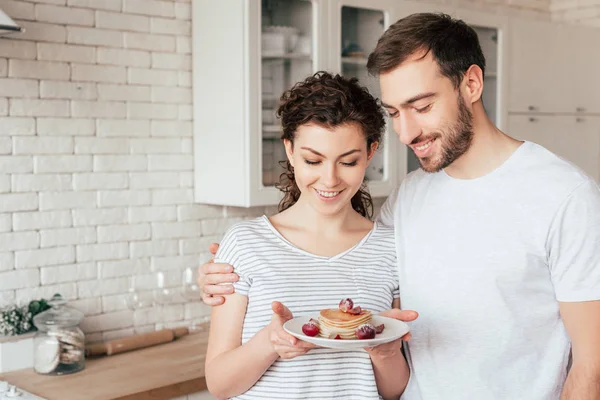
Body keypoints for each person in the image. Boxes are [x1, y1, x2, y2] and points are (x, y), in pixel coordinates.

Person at [199, 12, 600, 400]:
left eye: (422, 107)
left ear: (472, 83)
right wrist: (225, 273)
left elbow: (591, 365)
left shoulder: (564, 196)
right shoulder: (409, 196)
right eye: (394, 113)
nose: (406, 133)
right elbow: (345, 259)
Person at [204, 71, 416, 400]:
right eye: (312, 160)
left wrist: (385, 353)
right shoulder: (245, 243)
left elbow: (394, 392)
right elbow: (219, 384)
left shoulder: (392, 249)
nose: (329, 180)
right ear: (289, 150)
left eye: (348, 162)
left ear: (370, 153)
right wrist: (269, 343)